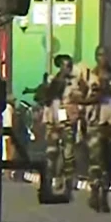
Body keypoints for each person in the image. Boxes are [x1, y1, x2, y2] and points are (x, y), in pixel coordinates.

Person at [81, 45, 111, 213]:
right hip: (94, 121)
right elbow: (82, 98)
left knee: (107, 161)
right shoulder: (88, 75)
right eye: (101, 54)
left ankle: (104, 195)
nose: (104, 58)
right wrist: (95, 96)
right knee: (95, 160)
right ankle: (94, 191)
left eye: (107, 54)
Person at [39, 54, 84, 203]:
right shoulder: (52, 80)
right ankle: (51, 181)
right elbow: (46, 99)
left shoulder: (75, 82)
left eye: (70, 65)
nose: (68, 68)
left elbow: (79, 98)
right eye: (65, 65)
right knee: (52, 153)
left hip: (68, 121)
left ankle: (68, 184)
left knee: (68, 154)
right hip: (53, 119)